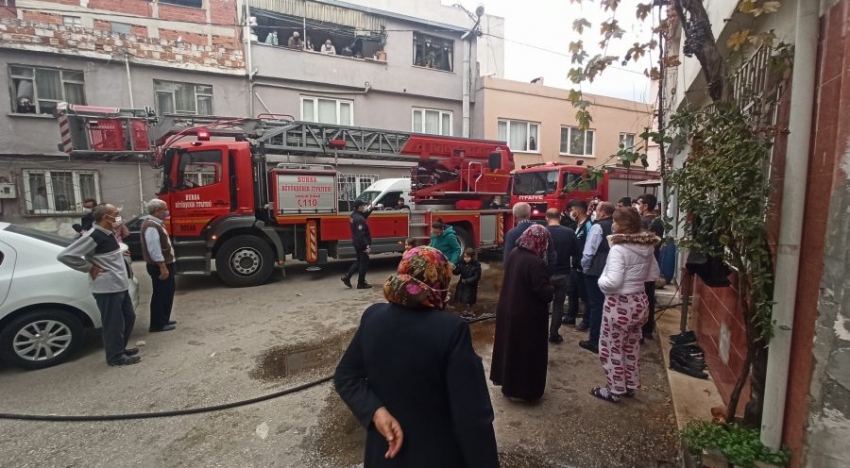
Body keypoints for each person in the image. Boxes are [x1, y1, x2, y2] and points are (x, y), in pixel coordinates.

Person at [334, 246, 499, 467]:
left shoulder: (373, 317)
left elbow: (346, 376)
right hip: (436, 456)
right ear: (438, 280)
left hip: (384, 454)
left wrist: (375, 412)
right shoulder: (451, 330)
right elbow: (472, 418)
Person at [591, 207, 660, 403]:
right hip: (640, 300)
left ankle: (614, 390)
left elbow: (612, 282)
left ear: (621, 225)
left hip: (619, 303)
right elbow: (653, 274)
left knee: (611, 348)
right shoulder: (647, 247)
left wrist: (601, 281)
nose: (612, 224)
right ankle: (630, 385)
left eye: (614, 220)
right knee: (631, 346)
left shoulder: (618, 249)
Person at [57, 204, 139, 366]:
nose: (118, 217)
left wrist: (120, 253)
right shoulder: (94, 235)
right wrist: (89, 268)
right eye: (115, 214)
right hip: (107, 288)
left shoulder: (108, 233)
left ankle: (119, 348)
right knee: (113, 323)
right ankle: (115, 357)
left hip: (119, 285)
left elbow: (105, 254)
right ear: (105, 217)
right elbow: (66, 255)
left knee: (128, 317)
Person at [490, 224, 554, 401]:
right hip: (528, 315)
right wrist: (552, 288)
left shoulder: (514, 253)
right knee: (526, 354)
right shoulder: (535, 262)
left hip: (509, 309)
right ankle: (523, 391)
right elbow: (544, 292)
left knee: (511, 349)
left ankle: (508, 386)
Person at [579, 201, 615, 354]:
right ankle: (608, 339)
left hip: (596, 270)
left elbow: (588, 252)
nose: (595, 212)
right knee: (608, 305)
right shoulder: (615, 225)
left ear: (602, 213)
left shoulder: (597, 227)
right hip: (611, 269)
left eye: (597, 210)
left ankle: (594, 340)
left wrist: (585, 268)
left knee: (595, 305)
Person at [141, 199, 177, 333]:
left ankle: (164, 319)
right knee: (160, 294)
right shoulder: (151, 226)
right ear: (157, 211)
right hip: (159, 266)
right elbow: (154, 249)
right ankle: (157, 324)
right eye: (164, 209)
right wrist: (162, 266)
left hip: (165, 264)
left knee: (168, 292)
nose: (166, 212)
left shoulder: (156, 223)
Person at [545, 208, 578, 343]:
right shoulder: (569, 233)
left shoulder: (542, 232)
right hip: (563, 274)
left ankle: (541, 331)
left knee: (543, 305)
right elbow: (577, 253)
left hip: (546, 275)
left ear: (547, 218)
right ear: (560, 217)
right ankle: (554, 334)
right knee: (558, 306)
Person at [636, 193, 665, 341]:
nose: (637, 206)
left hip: (645, 262)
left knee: (644, 296)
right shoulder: (658, 221)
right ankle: (647, 328)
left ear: (645, 206)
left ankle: (643, 328)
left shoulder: (645, 222)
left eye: (639, 203)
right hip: (652, 262)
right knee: (649, 295)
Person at [502, 202, 555, 268]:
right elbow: (551, 256)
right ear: (530, 214)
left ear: (515, 216)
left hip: (520, 275)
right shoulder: (543, 230)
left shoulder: (511, 234)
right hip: (539, 273)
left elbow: (507, 261)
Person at [566, 200, 592, 328]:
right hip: (573, 265)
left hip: (582, 266)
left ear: (578, 210)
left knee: (585, 295)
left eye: (572, 210)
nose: (571, 212)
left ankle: (586, 321)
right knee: (572, 292)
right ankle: (570, 316)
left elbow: (590, 245)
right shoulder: (576, 225)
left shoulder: (589, 225)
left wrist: (584, 263)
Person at [342, 200, 372, 289]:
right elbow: (361, 235)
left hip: (356, 242)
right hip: (361, 243)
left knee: (359, 261)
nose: (364, 207)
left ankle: (347, 277)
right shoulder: (359, 219)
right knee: (364, 262)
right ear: (359, 207)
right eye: (363, 206)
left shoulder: (353, 215)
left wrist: (370, 209)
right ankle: (361, 283)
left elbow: (363, 216)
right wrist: (367, 246)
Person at [453, 248, 481, 319]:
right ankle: (466, 311)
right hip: (462, 284)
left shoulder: (476, 265)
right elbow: (458, 271)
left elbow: (476, 277)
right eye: (465, 257)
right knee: (463, 298)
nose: (466, 259)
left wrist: (467, 281)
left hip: (470, 286)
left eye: (468, 257)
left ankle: (470, 312)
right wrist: (453, 269)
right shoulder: (462, 264)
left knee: (469, 299)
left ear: (472, 257)